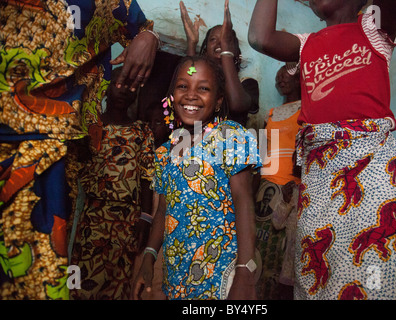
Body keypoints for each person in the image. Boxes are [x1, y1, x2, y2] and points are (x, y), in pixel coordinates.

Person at [249, 0, 396, 299]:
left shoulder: (373, 29)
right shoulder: (306, 45)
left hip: (371, 172)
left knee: (374, 276)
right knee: (318, 277)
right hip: (319, 181)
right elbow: (260, 37)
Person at [0, 0, 159, 300]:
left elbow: (146, 179)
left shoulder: (137, 133)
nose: (125, 87)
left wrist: (149, 37)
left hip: (56, 147)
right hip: (18, 138)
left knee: (39, 275)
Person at [131, 55, 261, 300]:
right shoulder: (167, 150)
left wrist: (245, 270)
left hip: (221, 273)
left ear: (219, 99)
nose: (191, 95)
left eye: (203, 88)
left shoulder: (231, 136)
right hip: (177, 275)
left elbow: (245, 203)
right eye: (183, 86)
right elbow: (163, 210)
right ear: (172, 97)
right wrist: (149, 256)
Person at [69, 68, 155, 300]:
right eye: (119, 83)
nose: (125, 89)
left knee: (117, 282)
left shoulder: (142, 132)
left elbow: (147, 177)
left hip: (127, 221)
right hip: (93, 215)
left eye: (132, 86)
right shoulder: (91, 126)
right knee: (80, 279)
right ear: (106, 87)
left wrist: (145, 218)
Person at [254, 64, 302, 299]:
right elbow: (261, 154)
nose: (281, 77)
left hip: (289, 191)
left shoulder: (307, 111)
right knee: (257, 251)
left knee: (281, 255)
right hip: (265, 190)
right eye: (278, 75)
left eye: (288, 73)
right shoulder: (270, 114)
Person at [179, 0, 259, 126]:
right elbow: (190, 81)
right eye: (213, 39)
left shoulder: (248, 83)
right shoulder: (201, 81)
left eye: (225, 39)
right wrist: (191, 44)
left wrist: (225, 48)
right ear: (205, 51)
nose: (219, 43)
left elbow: (236, 104)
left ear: (237, 52)